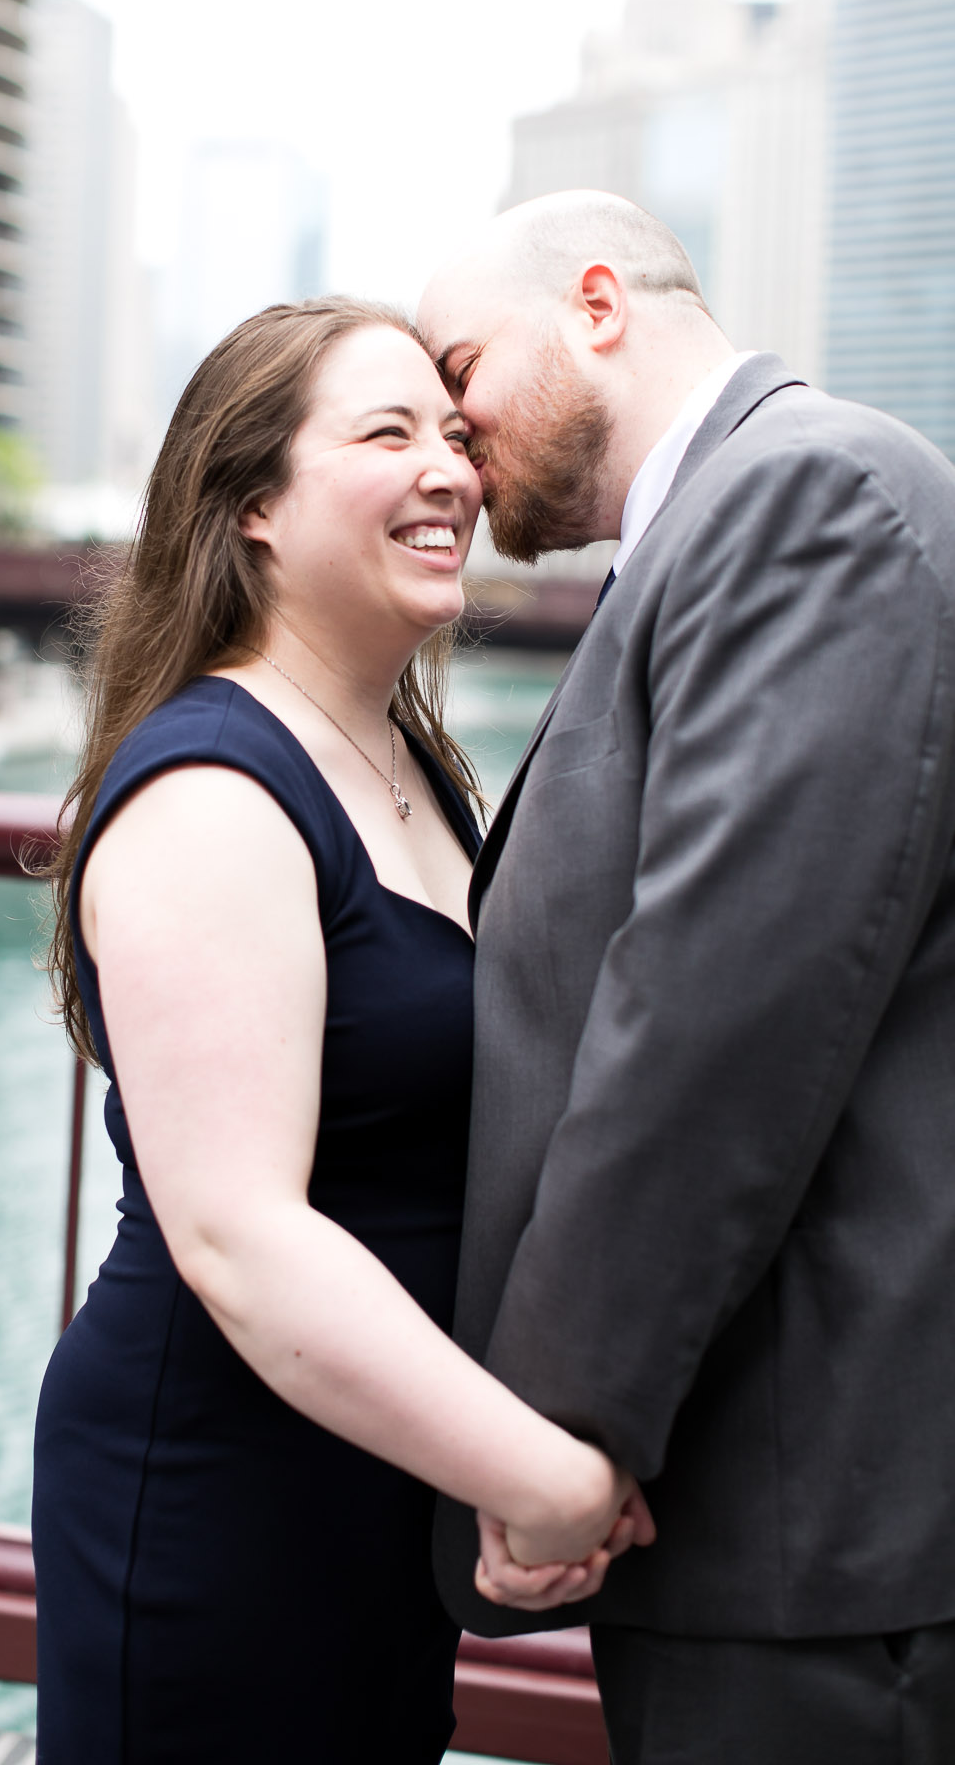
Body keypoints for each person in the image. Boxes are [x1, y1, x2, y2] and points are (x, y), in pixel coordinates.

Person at [32, 296, 648, 1764]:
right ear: (248, 503)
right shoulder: (210, 796)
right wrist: (539, 1472)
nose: (449, 469)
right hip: (221, 1504)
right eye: (386, 434)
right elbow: (242, 1238)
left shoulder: (410, 765)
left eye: (451, 431)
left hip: (372, 1484)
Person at [417, 189, 955, 1763]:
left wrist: (557, 1439)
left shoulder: (808, 499)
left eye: (462, 369)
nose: (451, 438)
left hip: (812, 1513)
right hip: (764, 1500)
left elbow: (708, 1036)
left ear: (597, 305)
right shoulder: (734, 518)